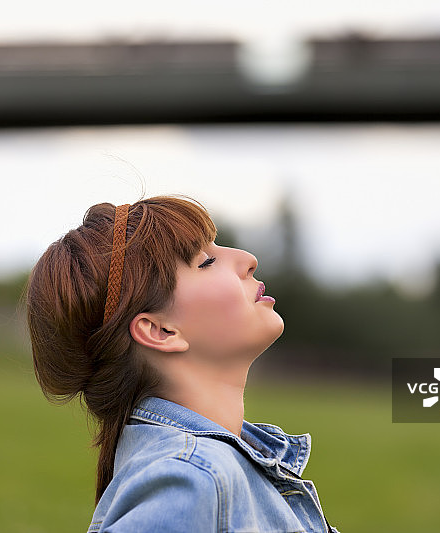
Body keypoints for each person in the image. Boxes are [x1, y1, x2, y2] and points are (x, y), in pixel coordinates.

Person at [26, 195, 338, 532]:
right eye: (206, 262)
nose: (248, 259)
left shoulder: (203, 468)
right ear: (160, 331)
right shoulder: (192, 475)